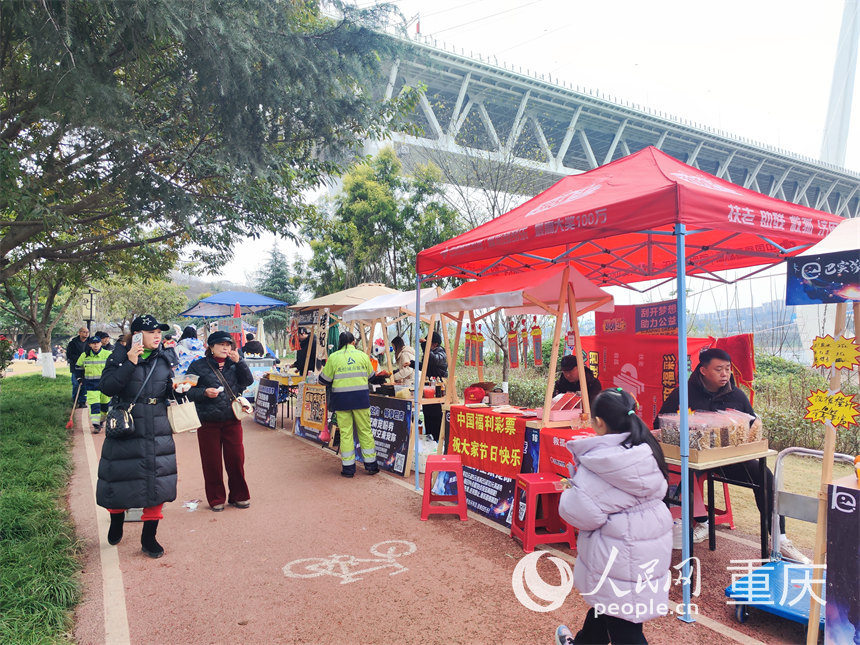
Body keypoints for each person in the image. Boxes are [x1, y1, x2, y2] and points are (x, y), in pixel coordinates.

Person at [655, 347, 810, 564]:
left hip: (727, 458)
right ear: (702, 370)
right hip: (690, 458)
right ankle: (702, 522)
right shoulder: (683, 394)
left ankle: (779, 538)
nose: (725, 374)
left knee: (764, 476)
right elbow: (660, 424)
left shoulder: (736, 395)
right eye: (718, 369)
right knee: (686, 476)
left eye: (727, 369)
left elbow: (751, 425)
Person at [555, 388, 672, 645]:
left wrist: (569, 488)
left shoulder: (601, 462)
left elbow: (580, 514)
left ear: (598, 422)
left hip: (619, 551)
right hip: (647, 544)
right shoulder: (645, 449)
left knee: (625, 630)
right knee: (606, 609)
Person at [97, 314, 178, 558]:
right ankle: (116, 519)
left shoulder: (164, 359)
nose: (157, 336)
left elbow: (168, 391)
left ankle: (149, 537)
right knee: (119, 476)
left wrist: (180, 390)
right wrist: (130, 363)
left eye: (159, 332)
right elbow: (107, 387)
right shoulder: (119, 356)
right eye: (152, 332)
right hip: (127, 426)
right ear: (137, 335)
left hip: (157, 426)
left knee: (157, 480)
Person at [185, 331, 254, 511]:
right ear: (211, 346)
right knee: (211, 463)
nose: (225, 348)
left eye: (228, 344)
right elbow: (187, 390)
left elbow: (248, 381)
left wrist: (240, 362)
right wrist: (203, 392)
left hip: (232, 419)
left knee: (236, 460)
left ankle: (239, 496)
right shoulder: (197, 366)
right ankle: (216, 498)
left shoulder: (234, 364)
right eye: (221, 344)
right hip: (207, 422)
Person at [318, 331, 378, 478]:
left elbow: (323, 380)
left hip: (342, 401)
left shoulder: (334, 357)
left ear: (340, 342)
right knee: (365, 431)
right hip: (361, 400)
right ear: (353, 342)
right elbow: (372, 377)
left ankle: (348, 469)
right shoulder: (363, 356)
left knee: (346, 433)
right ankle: (371, 466)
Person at [416, 331, 447, 441]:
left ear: (435, 344)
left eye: (429, 343)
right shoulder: (430, 352)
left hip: (438, 388)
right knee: (428, 414)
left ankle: (438, 441)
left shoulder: (441, 353)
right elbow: (426, 366)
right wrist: (412, 363)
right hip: (429, 386)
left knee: (436, 416)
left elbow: (433, 360)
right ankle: (430, 440)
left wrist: (425, 346)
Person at [77, 336, 112, 432]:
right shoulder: (84, 355)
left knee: (105, 406)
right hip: (91, 385)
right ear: (90, 344)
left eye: (97, 343)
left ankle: (101, 422)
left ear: (101, 343)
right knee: (95, 405)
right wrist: (79, 378)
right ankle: (96, 425)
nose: (95, 345)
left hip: (105, 385)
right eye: (93, 343)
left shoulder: (108, 354)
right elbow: (78, 367)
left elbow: (114, 367)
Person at [67, 326, 89, 408]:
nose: (86, 333)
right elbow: (69, 354)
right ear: (79, 333)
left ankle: (82, 401)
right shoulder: (73, 343)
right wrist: (80, 359)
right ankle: (75, 400)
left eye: (87, 332)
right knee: (76, 384)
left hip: (87, 367)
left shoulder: (90, 343)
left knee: (84, 385)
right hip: (75, 367)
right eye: (84, 332)